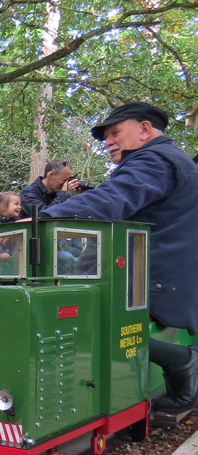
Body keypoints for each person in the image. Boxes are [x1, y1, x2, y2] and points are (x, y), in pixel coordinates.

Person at [40, 102, 198, 414]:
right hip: (157, 274)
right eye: (106, 137)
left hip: (154, 278)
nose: (108, 141)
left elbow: (113, 199)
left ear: (144, 129)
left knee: (82, 322)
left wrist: (43, 218)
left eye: (115, 133)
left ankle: (184, 362)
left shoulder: (155, 159)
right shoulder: (168, 159)